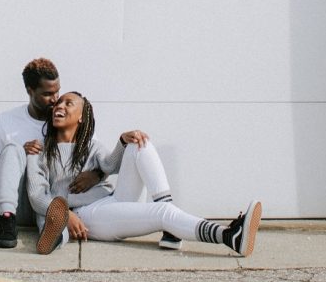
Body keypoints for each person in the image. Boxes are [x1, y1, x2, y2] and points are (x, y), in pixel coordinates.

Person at [26, 91, 262, 257]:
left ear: (81, 117)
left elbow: (110, 166)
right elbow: (37, 195)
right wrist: (66, 214)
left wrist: (122, 140)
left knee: (140, 142)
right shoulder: (40, 150)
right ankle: (228, 236)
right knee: (163, 212)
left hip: (112, 201)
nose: (60, 106)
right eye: (59, 103)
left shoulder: (91, 145)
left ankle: (172, 229)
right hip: (87, 215)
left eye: (69, 103)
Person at [0, 58, 106, 249]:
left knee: (46, 206)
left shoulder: (67, 118)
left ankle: (53, 238)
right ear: (30, 91)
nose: (56, 99)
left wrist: (96, 175)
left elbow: (97, 155)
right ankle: (6, 220)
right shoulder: (7, 121)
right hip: (22, 204)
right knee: (13, 149)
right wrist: (19, 157)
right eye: (48, 94)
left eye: (57, 91)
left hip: (57, 199)